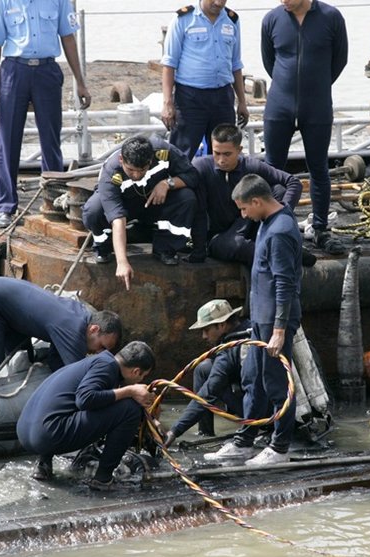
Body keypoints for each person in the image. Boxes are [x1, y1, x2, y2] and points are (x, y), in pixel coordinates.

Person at [205, 175, 302, 466]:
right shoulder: (265, 225)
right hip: (260, 318)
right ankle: (246, 440)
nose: (243, 216)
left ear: (257, 201)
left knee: (276, 383)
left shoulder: (280, 232)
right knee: (253, 380)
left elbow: (284, 284)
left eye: (245, 209)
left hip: (275, 322)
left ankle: (280, 447)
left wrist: (279, 331)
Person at [0, 0, 91, 229]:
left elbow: (68, 38)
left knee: (51, 139)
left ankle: (53, 201)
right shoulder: (2, 2)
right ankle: (5, 206)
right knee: (7, 141)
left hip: (47, 70)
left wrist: (80, 83)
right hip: (14, 70)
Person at [261, 0, 348, 255]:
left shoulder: (331, 17)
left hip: (317, 104)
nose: (282, 1)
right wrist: (288, 84)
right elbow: (270, 62)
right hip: (279, 103)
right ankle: (273, 223)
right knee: (273, 168)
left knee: (319, 167)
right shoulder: (271, 19)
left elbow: (339, 60)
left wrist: (316, 83)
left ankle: (320, 227)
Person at [16, 341, 156, 489]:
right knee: (130, 409)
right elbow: (85, 399)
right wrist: (130, 391)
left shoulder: (96, 361)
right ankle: (103, 479)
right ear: (136, 371)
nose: (141, 381)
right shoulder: (106, 367)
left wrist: (152, 420)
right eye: (143, 376)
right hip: (48, 436)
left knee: (67, 407)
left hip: (25, 433)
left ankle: (43, 465)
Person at [82, 134, 199, 290]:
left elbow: (192, 175)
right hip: (125, 205)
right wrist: (122, 262)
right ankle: (104, 246)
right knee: (93, 210)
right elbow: (117, 219)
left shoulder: (163, 152)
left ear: (150, 161)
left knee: (187, 198)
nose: (136, 175)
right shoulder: (111, 172)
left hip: (154, 201)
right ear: (121, 160)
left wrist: (167, 183)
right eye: (131, 170)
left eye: (142, 170)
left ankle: (165, 248)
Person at [0, 277, 121, 381]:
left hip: (9, 311)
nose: (98, 352)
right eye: (101, 346)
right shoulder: (73, 329)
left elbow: (55, 360)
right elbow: (79, 376)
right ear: (93, 329)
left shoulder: (79, 314)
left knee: (23, 352)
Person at [190, 123, 305, 266]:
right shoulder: (202, 168)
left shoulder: (251, 166)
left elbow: (293, 182)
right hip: (221, 235)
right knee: (235, 246)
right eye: (216, 153)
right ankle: (283, 253)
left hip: (253, 224)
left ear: (239, 150)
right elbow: (199, 212)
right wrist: (198, 251)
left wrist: (283, 214)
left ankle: (278, 246)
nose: (221, 160)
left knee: (278, 190)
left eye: (227, 154)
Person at [160, 0, 249, 159]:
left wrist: (242, 101)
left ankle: (219, 184)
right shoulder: (183, 18)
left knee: (224, 154)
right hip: (190, 98)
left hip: (223, 97)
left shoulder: (232, 20)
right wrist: (167, 103)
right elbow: (169, 63)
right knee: (182, 154)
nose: (218, 3)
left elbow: (236, 63)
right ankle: (177, 183)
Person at [163, 299, 250, 447]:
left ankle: (250, 428)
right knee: (203, 369)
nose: (204, 336)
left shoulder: (228, 350)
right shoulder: (250, 328)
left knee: (209, 385)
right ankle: (205, 431)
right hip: (271, 404)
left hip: (258, 412)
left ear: (222, 325)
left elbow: (208, 393)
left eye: (206, 330)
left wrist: (175, 430)